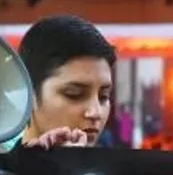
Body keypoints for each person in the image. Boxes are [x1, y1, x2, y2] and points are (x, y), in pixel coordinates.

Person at [16, 14, 116, 148]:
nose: (96, 112)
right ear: (28, 94)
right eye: (74, 94)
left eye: (103, 97)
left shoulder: (119, 168)